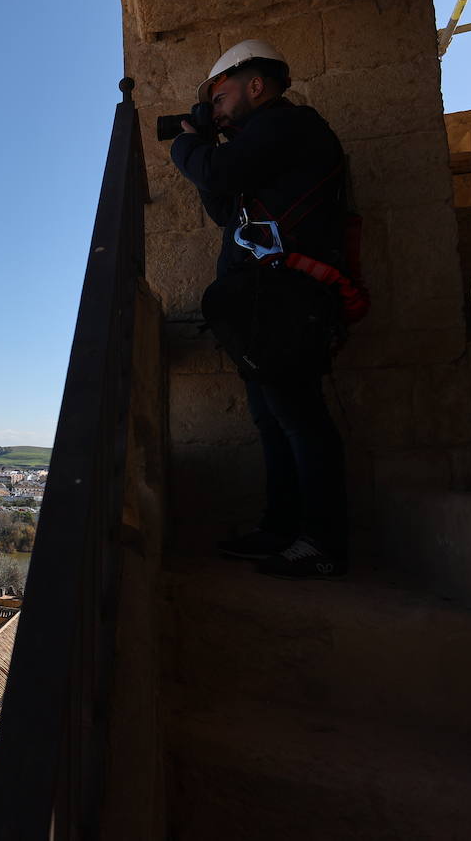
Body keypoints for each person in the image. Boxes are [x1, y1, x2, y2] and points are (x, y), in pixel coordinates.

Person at [169, 39, 350, 579]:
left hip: (287, 298)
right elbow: (225, 203)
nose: (216, 109)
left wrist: (187, 146)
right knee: (272, 418)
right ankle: (282, 530)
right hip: (263, 303)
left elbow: (218, 174)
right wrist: (205, 150)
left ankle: (321, 542)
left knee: (298, 418)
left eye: (220, 96)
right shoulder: (266, 143)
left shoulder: (288, 125)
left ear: (255, 85)